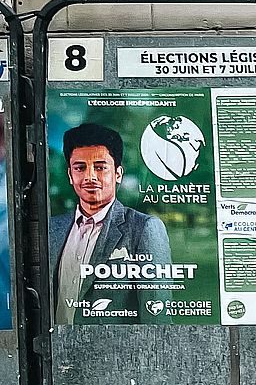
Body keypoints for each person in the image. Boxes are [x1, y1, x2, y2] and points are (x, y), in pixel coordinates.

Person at [48, 122, 173, 325]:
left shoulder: (145, 228)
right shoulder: (52, 228)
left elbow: (157, 318)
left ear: (118, 174)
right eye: (80, 167)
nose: (90, 176)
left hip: (114, 354)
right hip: (57, 353)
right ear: (70, 175)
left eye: (100, 167)